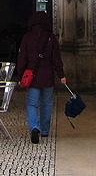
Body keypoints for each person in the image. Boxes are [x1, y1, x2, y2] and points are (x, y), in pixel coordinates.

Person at [16, 11, 67, 144]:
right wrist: (61, 74)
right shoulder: (51, 38)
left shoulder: (27, 37)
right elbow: (57, 58)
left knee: (32, 104)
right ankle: (44, 130)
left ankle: (34, 128)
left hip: (32, 78)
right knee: (47, 104)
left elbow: (22, 58)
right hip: (48, 77)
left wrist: (20, 75)